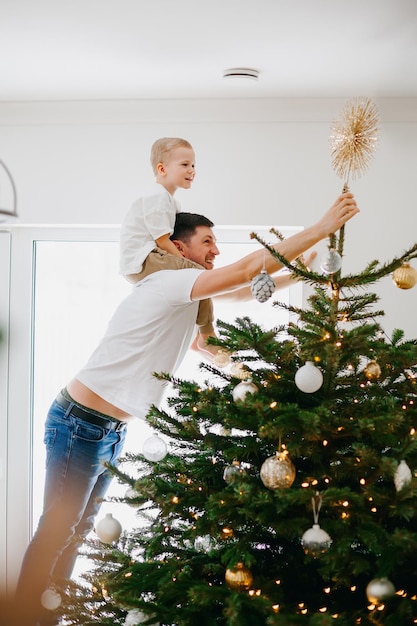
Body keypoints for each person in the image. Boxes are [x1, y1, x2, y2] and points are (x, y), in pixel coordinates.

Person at [15, 192, 359, 625]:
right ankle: (25, 618)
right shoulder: (169, 281)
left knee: (77, 530)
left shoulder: (192, 294)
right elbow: (245, 271)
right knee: (58, 529)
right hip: (80, 422)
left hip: (108, 428)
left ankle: (48, 615)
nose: (216, 250)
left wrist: (303, 263)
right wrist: (321, 225)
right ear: (179, 247)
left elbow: (248, 290)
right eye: (208, 241)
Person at [120, 137, 217, 356]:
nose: (191, 170)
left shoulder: (171, 202)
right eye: (184, 165)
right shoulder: (158, 197)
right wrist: (190, 266)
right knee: (199, 275)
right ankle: (206, 333)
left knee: (194, 279)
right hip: (144, 258)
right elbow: (162, 241)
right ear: (162, 168)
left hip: (144, 260)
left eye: (193, 165)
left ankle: (199, 334)